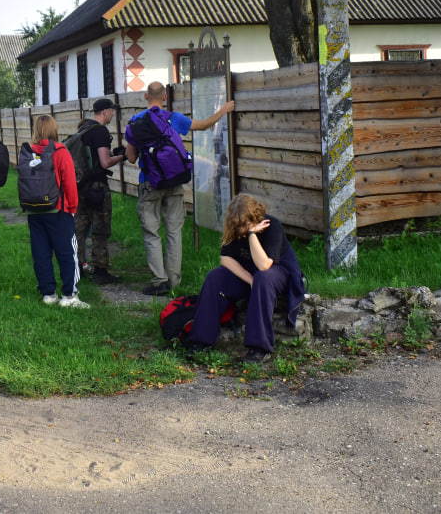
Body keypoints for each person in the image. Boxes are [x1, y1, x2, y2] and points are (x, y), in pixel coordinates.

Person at [124, 81, 235, 296]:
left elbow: (130, 157)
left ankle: (160, 280)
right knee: (174, 231)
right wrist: (224, 109)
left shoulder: (135, 123)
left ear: (146, 97)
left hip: (150, 182)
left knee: (151, 231)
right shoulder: (174, 119)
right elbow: (203, 125)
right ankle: (174, 280)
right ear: (165, 98)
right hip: (174, 181)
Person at [185, 193, 306, 363]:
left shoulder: (273, 226)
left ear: (254, 217)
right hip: (252, 273)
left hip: (279, 272)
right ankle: (200, 340)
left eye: (244, 225)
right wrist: (250, 280)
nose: (240, 229)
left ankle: (259, 348)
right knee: (215, 277)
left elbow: (264, 265)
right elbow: (226, 259)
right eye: (238, 226)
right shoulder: (235, 228)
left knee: (263, 278)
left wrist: (251, 235)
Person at [25, 114, 87, 308]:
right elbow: (69, 184)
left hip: (34, 210)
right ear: (54, 129)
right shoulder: (60, 151)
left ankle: (48, 294)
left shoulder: (28, 152)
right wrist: (73, 208)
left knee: (41, 253)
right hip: (58, 210)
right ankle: (69, 295)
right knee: (67, 251)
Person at [73, 97, 126, 284]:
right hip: (97, 188)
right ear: (105, 112)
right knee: (100, 228)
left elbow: (92, 157)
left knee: (79, 228)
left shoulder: (83, 130)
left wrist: (110, 154)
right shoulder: (101, 131)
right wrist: (121, 156)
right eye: (112, 111)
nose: (113, 114)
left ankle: (77, 268)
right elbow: (104, 162)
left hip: (81, 187)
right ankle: (101, 271)